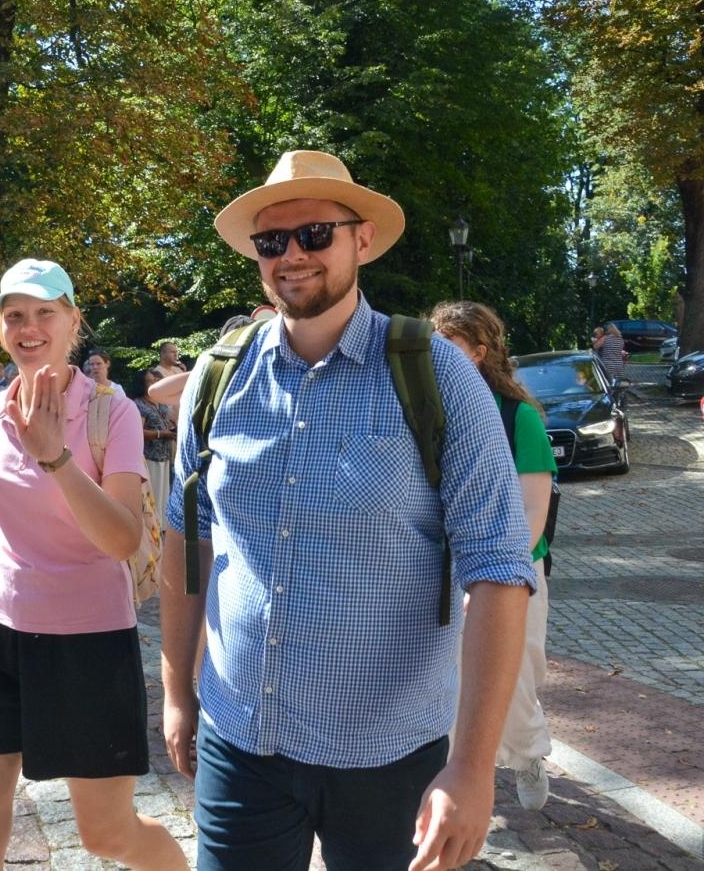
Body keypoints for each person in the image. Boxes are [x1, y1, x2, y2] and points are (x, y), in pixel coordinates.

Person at [160, 150, 533, 871]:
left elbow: (498, 567)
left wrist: (475, 768)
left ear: (362, 240)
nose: (291, 256)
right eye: (272, 242)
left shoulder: (437, 374)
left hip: (387, 752)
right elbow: (186, 538)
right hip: (241, 737)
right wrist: (177, 690)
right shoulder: (217, 377)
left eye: (314, 235)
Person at [0, 258, 185, 871]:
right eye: (14, 316)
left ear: (72, 320)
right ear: (1, 329)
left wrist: (56, 459)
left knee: (106, 835)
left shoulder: (113, 414)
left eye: (43, 313)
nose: (29, 327)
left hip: (89, 641)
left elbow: (122, 539)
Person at [432, 300, 559, 811]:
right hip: (444, 566)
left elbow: (533, 510)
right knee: (446, 678)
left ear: (480, 353)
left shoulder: (518, 416)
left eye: (451, 345)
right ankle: (452, 774)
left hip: (514, 569)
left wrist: (492, 578)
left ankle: (528, 755)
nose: (437, 354)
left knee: (516, 673)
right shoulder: (427, 412)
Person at [133, 368, 175, 515]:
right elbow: (138, 432)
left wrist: (171, 428)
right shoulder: (139, 404)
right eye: (151, 380)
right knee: (154, 494)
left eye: (157, 380)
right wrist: (160, 434)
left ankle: (163, 529)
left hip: (165, 454)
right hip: (150, 456)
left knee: (165, 495)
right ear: (142, 383)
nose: (155, 382)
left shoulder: (160, 403)